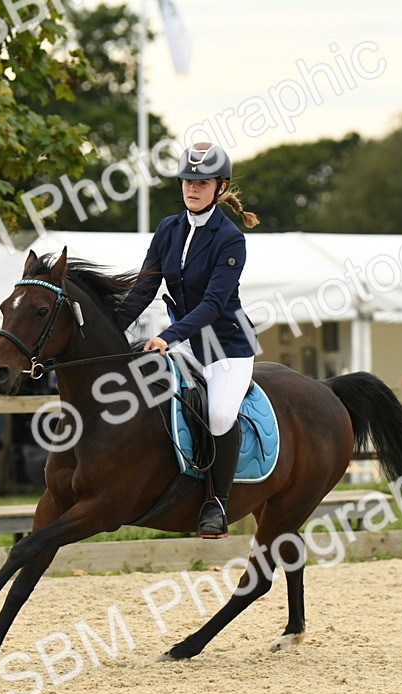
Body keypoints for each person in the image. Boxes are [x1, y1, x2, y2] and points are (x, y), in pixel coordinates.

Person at [115, 141, 260, 539]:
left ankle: (217, 503)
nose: (192, 188)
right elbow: (144, 290)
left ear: (220, 186)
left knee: (218, 414)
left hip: (226, 347)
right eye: (187, 181)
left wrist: (167, 336)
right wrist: (112, 328)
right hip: (184, 344)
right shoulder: (169, 229)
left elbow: (214, 303)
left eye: (201, 182)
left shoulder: (230, 239)